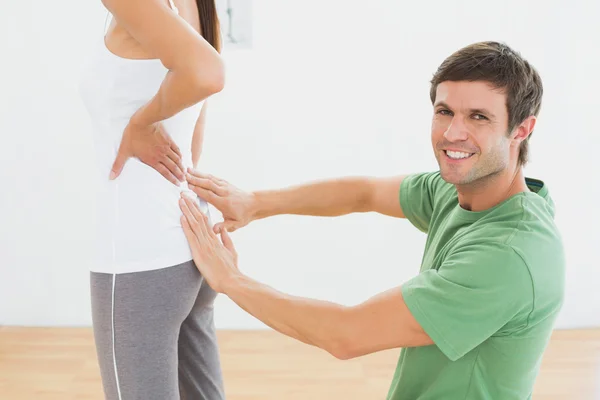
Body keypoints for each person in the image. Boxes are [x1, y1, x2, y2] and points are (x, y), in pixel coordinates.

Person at [177, 41, 566, 399]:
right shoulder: (466, 191)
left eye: (478, 117)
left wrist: (231, 280)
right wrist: (254, 203)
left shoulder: (507, 255)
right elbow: (362, 193)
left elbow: (346, 335)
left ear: (522, 129)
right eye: (444, 111)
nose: (453, 133)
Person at [78, 0, 226, 399]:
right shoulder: (198, 5)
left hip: (138, 258)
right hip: (190, 239)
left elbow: (208, 75)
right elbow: (195, 131)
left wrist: (141, 122)